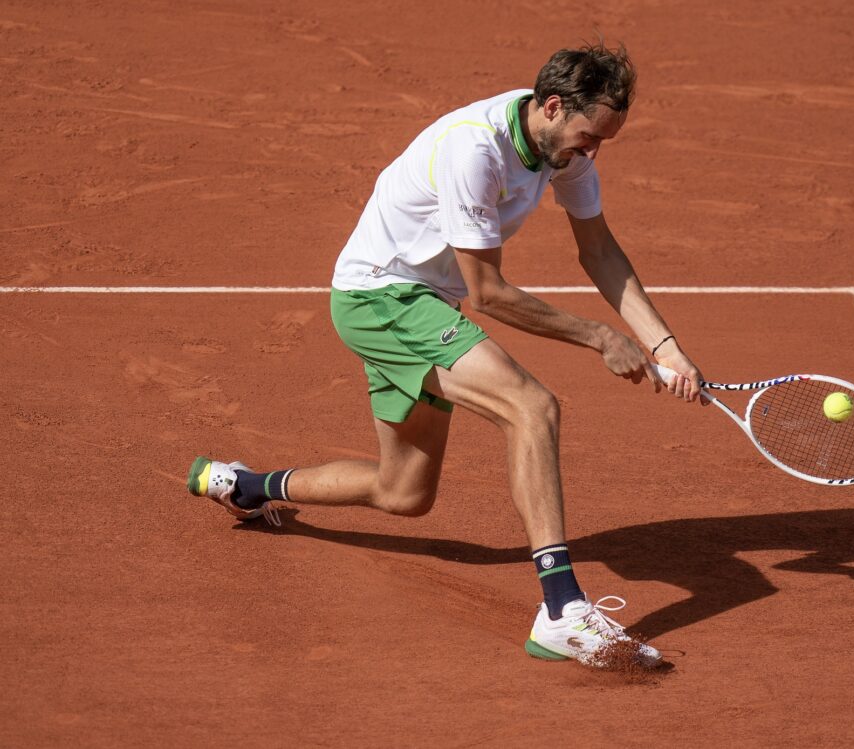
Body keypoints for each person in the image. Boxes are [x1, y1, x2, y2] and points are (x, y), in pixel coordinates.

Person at [187, 42, 704, 668]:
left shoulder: (562, 153)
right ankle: (562, 611)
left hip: (420, 305)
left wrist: (666, 347)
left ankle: (246, 485)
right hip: (384, 296)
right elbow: (487, 293)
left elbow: (599, 252)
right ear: (551, 107)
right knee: (532, 408)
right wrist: (600, 337)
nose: (591, 153)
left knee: (403, 492)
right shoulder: (474, 149)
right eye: (588, 137)